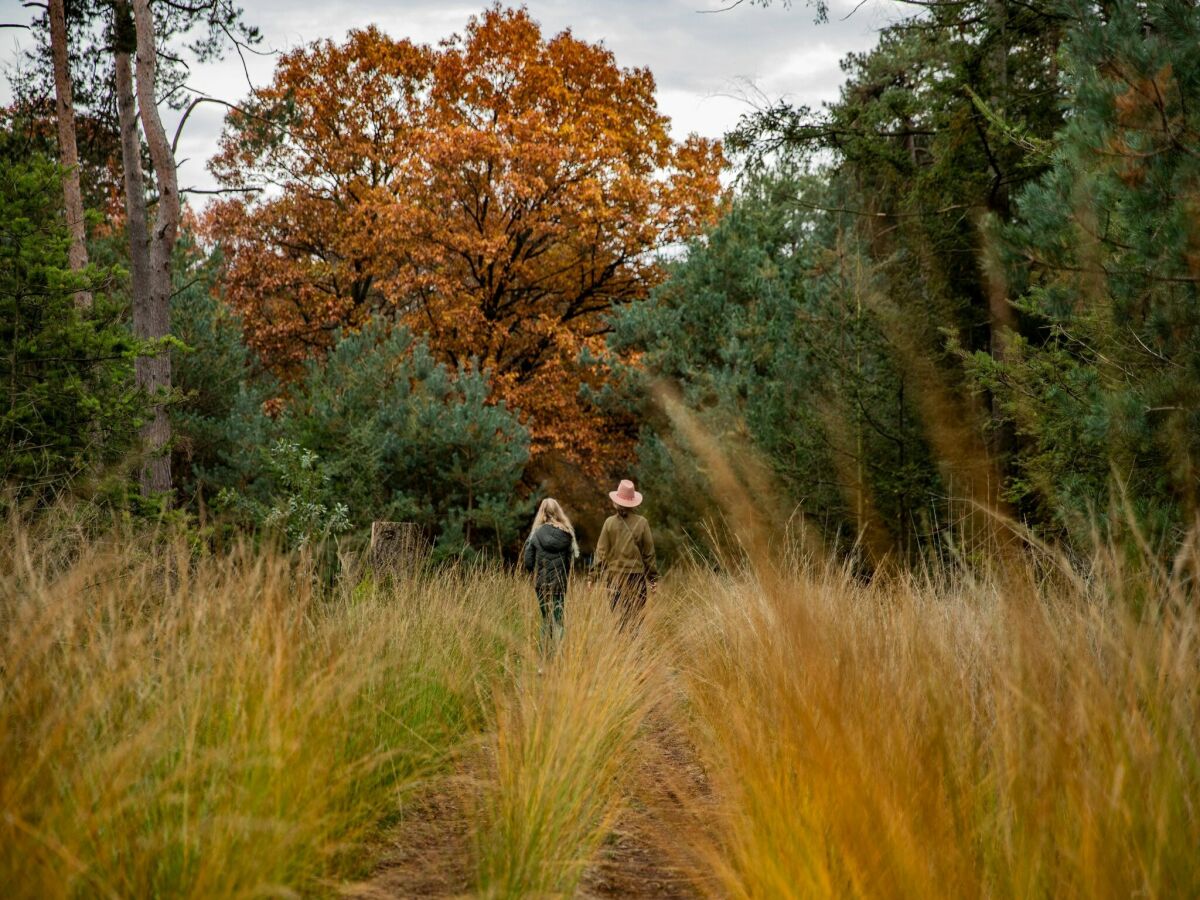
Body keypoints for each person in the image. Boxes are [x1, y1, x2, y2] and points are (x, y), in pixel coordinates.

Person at [593, 479, 657, 629]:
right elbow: (649, 554)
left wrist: (592, 577)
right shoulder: (642, 523)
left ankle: (621, 650)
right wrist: (653, 579)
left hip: (614, 578)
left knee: (618, 620)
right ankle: (636, 651)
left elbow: (601, 553)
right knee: (636, 620)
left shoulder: (609, 523)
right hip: (636, 578)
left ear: (616, 501)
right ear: (633, 502)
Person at [522, 498, 578, 650]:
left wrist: (536, 572)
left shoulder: (535, 534)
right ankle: (558, 654)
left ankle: (544, 653)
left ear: (542, 513)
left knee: (546, 619)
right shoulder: (567, 535)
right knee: (558, 620)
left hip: (541, 585)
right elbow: (569, 563)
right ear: (558, 512)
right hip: (559, 585)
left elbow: (527, 562)